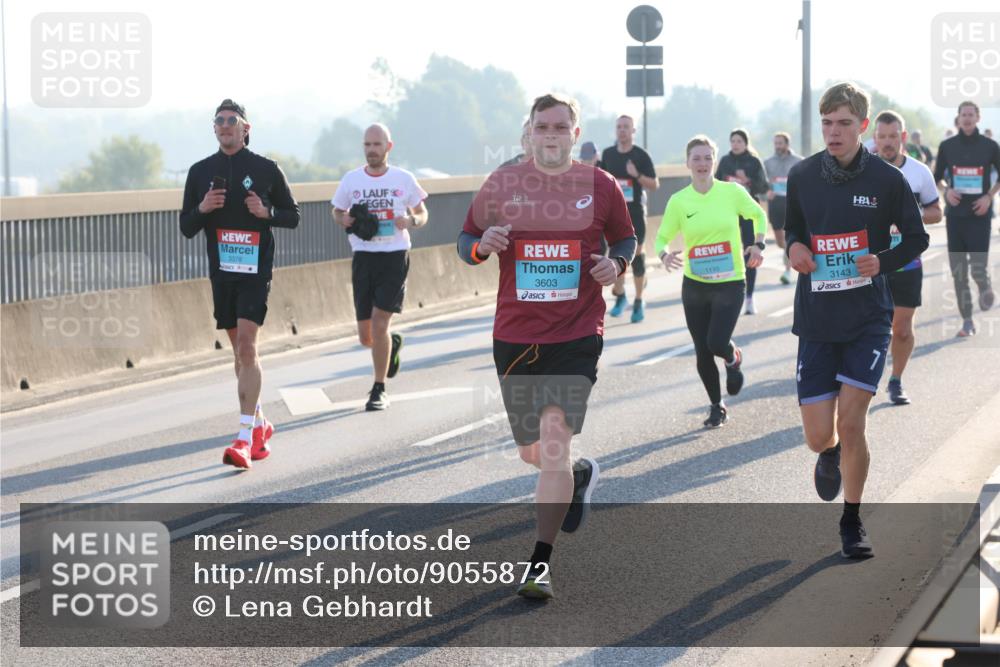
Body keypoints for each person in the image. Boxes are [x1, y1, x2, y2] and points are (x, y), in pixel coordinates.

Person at [458, 93, 636, 599]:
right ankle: (578, 475)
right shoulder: (503, 183)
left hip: (577, 332)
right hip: (515, 333)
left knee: (552, 442)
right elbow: (465, 239)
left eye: (561, 126)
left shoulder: (600, 186)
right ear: (531, 132)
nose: (552, 134)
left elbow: (626, 238)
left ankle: (539, 564)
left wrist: (616, 264)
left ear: (575, 134)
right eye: (543, 126)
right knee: (532, 453)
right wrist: (480, 244)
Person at [785, 82, 927, 558]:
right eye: (827, 123)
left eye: (844, 123)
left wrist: (882, 262)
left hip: (868, 316)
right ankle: (828, 456)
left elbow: (916, 238)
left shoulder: (887, 180)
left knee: (852, 424)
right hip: (817, 319)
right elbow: (792, 229)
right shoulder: (803, 175)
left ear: (863, 126)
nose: (834, 132)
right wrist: (794, 248)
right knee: (816, 436)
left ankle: (852, 520)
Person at [180, 99, 300, 469]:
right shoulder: (201, 172)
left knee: (248, 347)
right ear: (214, 129)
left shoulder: (265, 169)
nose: (225, 126)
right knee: (239, 355)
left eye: (232, 120)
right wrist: (203, 208)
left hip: (255, 271)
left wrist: (267, 214)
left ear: (246, 128)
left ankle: (244, 438)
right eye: (219, 121)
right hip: (222, 273)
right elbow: (186, 227)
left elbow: (293, 216)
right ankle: (261, 423)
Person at [656, 135, 766, 427]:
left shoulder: (732, 192)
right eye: (697, 158)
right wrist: (664, 254)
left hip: (730, 280)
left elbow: (757, 215)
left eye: (707, 158)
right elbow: (662, 237)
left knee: (716, 341)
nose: (702, 164)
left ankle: (732, 357)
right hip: (695, 284)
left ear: (714, 161)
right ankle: (717, 406)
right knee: (702, 350)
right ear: (687, 163)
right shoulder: (679, 201)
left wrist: (758, 245)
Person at [331, 124, 429, 410]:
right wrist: (343, 220)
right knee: (366, 337)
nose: (372, 150)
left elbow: (423, 212)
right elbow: (337, 210)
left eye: (377, 144)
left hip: (394, 255)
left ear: (389, 146)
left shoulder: (403, 178)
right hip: (363, 256)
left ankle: (379, 389)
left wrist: (412, 222)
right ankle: (391, 346)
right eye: (367, 145)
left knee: (379, 322)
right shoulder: (351, 180)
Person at [872, 111, 943, 405]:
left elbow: (936, 212)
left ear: (902, 137)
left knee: (900, 330)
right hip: (871, 262)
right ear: (874, 139)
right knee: (870, 329)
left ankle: (896, 380)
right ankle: (862, 381)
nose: (887, 142)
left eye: (893, 136)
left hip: (907, 261)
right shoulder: (864, 169)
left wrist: (911, 216)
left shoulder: (919, 172)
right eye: (882, 137)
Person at [933, 101, 1000, 337]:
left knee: (978, 267)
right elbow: (937, 177)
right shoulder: (947, 146)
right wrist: (946, 191)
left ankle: (985, 286)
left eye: (971, 114)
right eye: (964, 114)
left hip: (979, 215)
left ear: (978, 117)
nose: (968, 118)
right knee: (959, 270)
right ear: (958, 118)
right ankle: (967, 321)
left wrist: (989, 197)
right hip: (955, 217)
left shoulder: (990, 146)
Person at [601, 115, 658, 323]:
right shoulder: (607, 154)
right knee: (617, 256)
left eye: (626, 127)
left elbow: (654, 184)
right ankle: (621, 295)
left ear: (633, 130)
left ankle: (639, 300)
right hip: (614, 215)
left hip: (635, 213)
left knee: (638, 257)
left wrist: (636, 175)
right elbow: (599, 183)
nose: (622, 130)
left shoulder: (641, 156)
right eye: (619, 127)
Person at [715, 129, 769, 314]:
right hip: (728, 210)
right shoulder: (725, 161)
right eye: (733, 141)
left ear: (746, 143)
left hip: (748, 210)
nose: (735, 144)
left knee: (749, 251)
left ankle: (749, 297)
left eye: (739, 141)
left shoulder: (753, 161)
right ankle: (727, 294)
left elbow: (764, 186)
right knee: (726, 251)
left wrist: (747, 180)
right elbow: (714, 184)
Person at [764, 132, 803, 285]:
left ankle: (787, 271)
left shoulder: (798, 161)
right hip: (775, 203)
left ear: (787, 144)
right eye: (776, 143)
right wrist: (766, 191)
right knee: (780, 241)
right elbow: (761, 182)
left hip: (792, 202)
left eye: (780, 143)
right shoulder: (767, 162)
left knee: (789, 237)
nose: (778, 146)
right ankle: (787, 251)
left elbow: (805, 180)